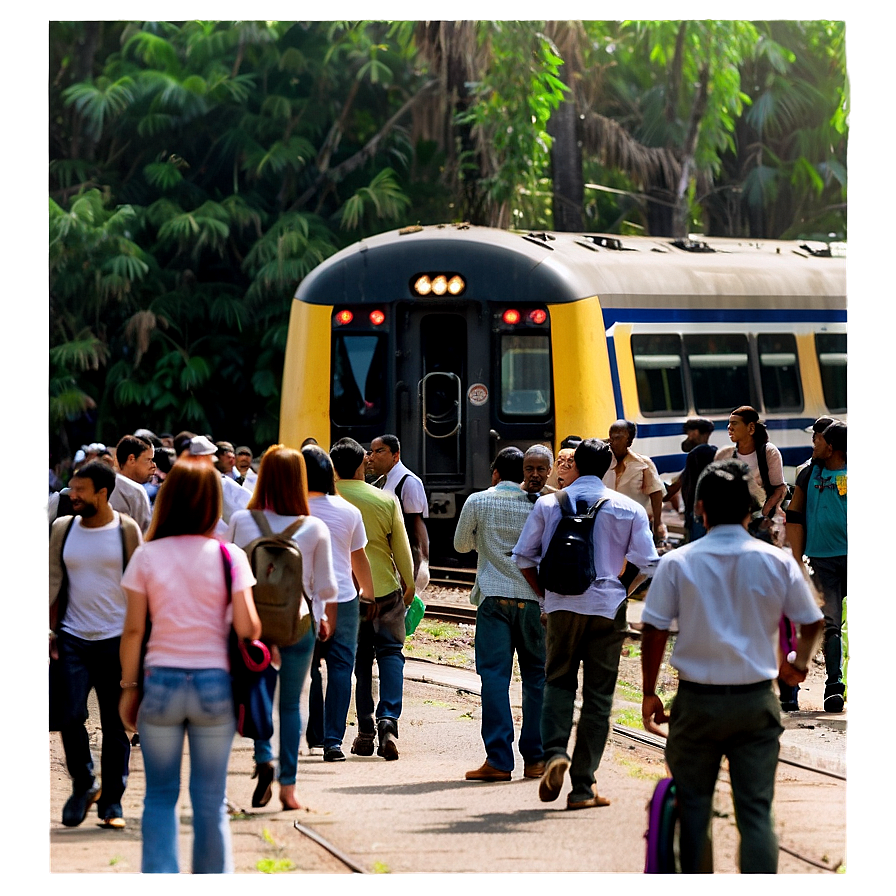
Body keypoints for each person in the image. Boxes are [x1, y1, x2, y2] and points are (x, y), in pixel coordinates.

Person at [640, 459, 824, 873]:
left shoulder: (677, 562)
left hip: (696, 704)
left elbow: (653, 631)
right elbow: (812, 621)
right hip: (755, 702)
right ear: (748, 511)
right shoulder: (777, 562)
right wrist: (798, 665)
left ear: (700, 508)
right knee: (756, 812)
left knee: (694, 806)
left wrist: (650, 691)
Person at [118, 457, 262, 874]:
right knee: (210, 799)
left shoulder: (147, 556)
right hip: (214, 684)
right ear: (212, 502)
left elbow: (132, 632)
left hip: (160, 683)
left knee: (160, 795)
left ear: (168, 498)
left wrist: (129, 687)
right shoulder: (229, 556)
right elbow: (249, 625)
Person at [513, 439, 660, 809]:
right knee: (598, 696)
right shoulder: (628, 508)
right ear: (609, 465)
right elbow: (648, 562)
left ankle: (556, 752)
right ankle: (583, 787)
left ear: (574, 464)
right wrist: (621, 591)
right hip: (607, 610)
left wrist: (546, 597)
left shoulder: (549, 504)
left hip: (562, 606)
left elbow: (523, 558)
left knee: (558, 681)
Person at [225, 445, 338, 809]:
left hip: (251, 625)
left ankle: (263, 759)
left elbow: (228, 576)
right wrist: (322, 619)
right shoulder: (315, 528)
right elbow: (325, 586)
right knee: (291, 704)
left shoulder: (243, 522)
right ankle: (289, 788)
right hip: (297, 623)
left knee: (254, 694)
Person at [49, 462, 143, 829]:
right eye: (72, 488)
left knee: (116, 724)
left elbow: (140, 584)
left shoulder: (126, 530)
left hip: (118, 640)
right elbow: (49, 578)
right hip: (71, 638)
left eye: (80, 490)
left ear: (103, 493)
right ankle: (84, 783)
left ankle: (112, 804)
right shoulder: (63, 528)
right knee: (69, 715)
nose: (73, 495)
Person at [454, 447, 546, 782]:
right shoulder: (541, 503)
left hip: (493, 600)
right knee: (537, 678)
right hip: (534, 600)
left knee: (494, 678)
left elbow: (461, 545)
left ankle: (498, 760)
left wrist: (486, 544)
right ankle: (536, 760)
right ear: (523, 471)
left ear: (495, 473)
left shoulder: (478, 501)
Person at [331, 437, 414, 760]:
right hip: (385, 591)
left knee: (361, 660)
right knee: (391, 653)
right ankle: (388, 721)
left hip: (350, 594)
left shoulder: (330, 499)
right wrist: (409, 585)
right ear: (361, 464)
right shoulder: (385, 499)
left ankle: (365, 731)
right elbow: (402, 549)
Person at [301, 444, 375, 762]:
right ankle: (333, 741)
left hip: (302, 600)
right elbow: (359, 560)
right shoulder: (348, 511)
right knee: (342, 667)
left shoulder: (292, 510)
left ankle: (314, 734)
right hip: (343, 597)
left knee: (309, 667)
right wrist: (369, 594)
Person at [785, 421, 848, 712]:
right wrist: (796, 560)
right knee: (829, 622)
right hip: (822, 561)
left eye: (818, 440)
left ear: (832, 446)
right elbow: (794, 517)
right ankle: (834, 687)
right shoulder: (808, 474)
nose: (814, 445)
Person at [366, 434, 430, 592]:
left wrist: (415, 575)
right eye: (371, 452)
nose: (372, 457)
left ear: (396, 455)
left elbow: (416, 529)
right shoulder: (383, 481)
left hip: (404, 564)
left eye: (379, 451)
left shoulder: (409, 482)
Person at [715, 406, 788, 540]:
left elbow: (779, 489)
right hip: (733, 524)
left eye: (734, 423)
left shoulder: (769, 452)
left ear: (751, 428)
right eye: (729, 424)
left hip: (764, 525)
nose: (729, 428)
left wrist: (762, 515)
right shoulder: (724, 455)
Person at [603, 420, 667, 545]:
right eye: (611, 437)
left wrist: (658, 523)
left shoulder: (643, 464)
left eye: (618, 438)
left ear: (629, 440)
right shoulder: (603, 461)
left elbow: (656, 492)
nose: (612, 442)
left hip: (635, 525)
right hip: (608, 524)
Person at [664, 418, 718, 543]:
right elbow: (681, 480)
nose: (688, 437)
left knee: (698, 544)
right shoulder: (711, 453)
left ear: (695, 433)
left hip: (697, 511)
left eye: (689, 433)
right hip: (699, 510)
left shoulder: (697, 454)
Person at [111, 435, 155, 533]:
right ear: (131, 459)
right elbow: (145, 533)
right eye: (148, 460)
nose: (153, 465)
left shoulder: (102, 481)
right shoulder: (136, 491)